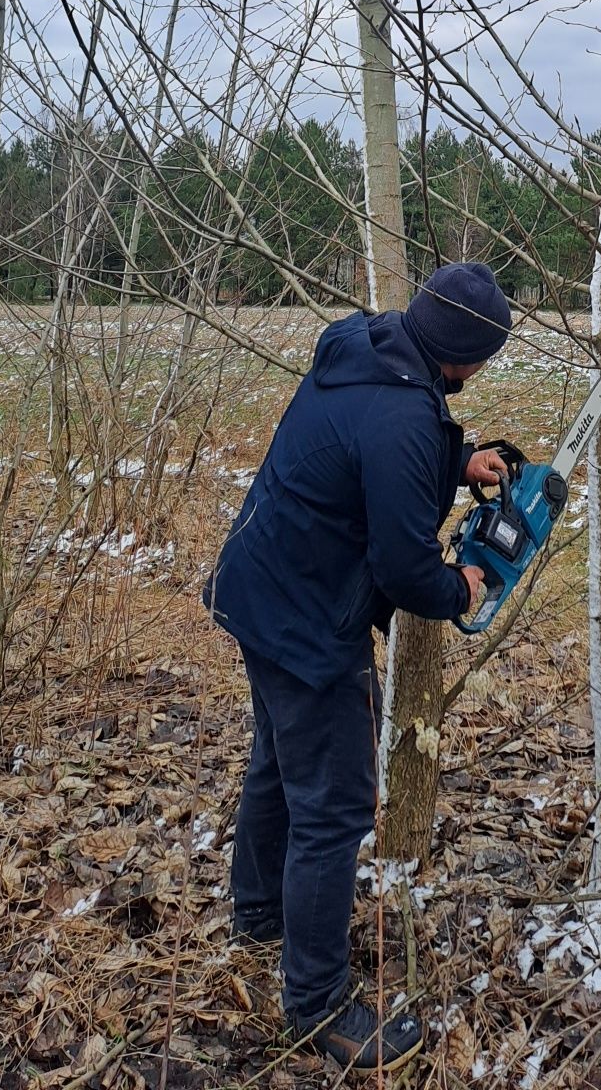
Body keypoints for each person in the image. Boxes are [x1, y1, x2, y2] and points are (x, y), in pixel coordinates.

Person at [203, 260, 513, 1074]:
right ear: (470, 359)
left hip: (258, 590)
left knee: (278, 764)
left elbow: (371, 450)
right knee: (334, 809)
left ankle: (261, 917)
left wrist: (461, 460)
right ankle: (316, 1005)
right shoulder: (406, 420)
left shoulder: (365, 345)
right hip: (309, 623)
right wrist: (463, 585)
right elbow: (409, 569)